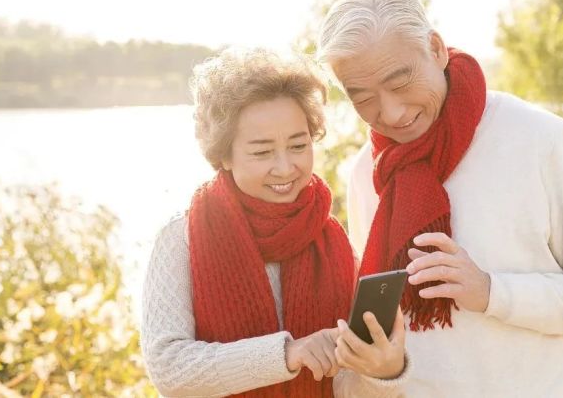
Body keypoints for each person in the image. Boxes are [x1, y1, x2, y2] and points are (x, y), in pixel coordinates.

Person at [316, 0, 563, 396]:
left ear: (437, 49)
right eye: (362, 97)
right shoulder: (365, 173)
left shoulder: (540, 140)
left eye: (400, 81)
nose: (390, 113)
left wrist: (490, 291)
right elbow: (386, 328)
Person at [140, 47, 409, 397]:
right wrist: (288, 353)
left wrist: (384, 373)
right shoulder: (180, 238)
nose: (285, 168)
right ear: (223, 154)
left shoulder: (332, 241)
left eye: (298, 146)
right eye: (262, 152)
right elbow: (171, 370)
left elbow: (347, 387)